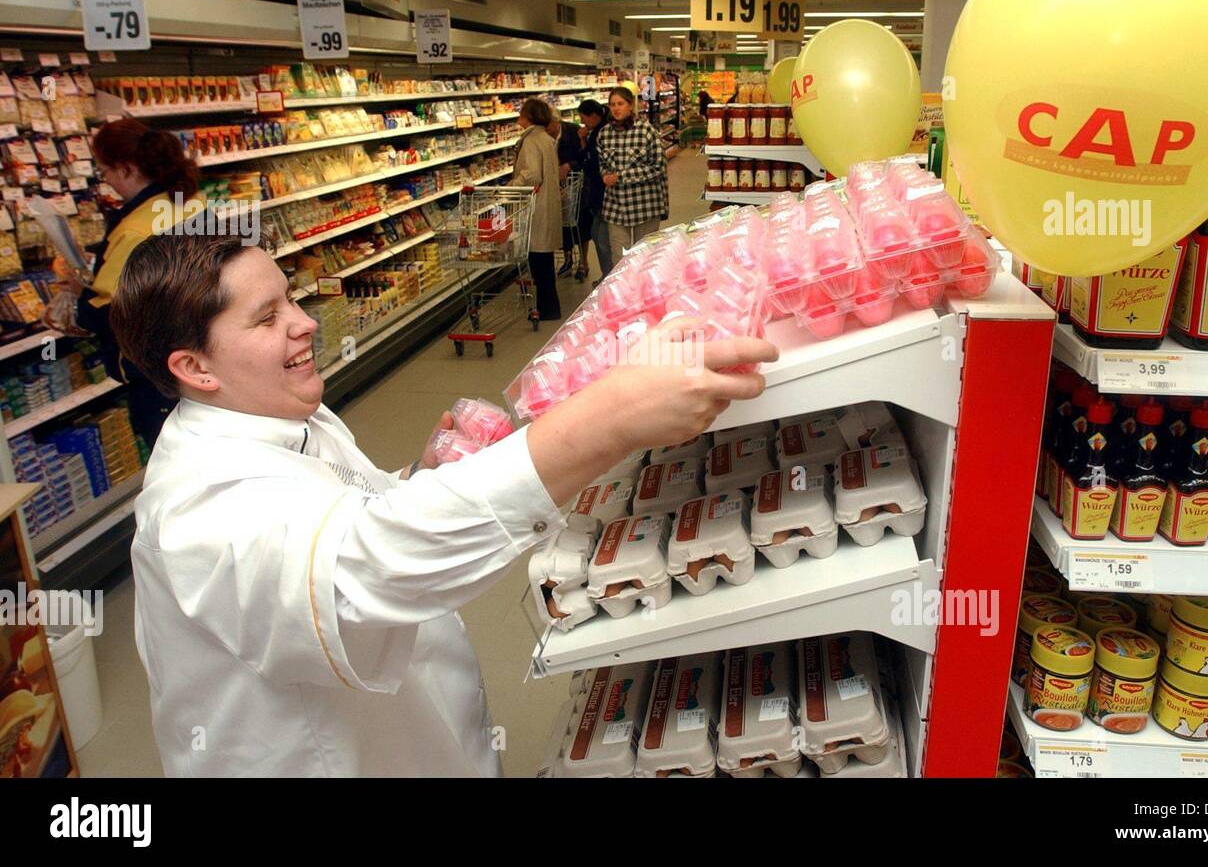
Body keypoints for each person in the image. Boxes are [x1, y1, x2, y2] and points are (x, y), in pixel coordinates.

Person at [109, 229, 777, 776]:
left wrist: (414, 478)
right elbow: (366, 570)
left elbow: (346, 515)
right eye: (267, 318)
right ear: (194, 368)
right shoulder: (197, 510)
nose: (305, 323)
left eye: (290, 299)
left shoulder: (287, 416)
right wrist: (607, 422)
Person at [44, 119, 193, 450]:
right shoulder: (178, 205)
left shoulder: (133, 230)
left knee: (173, 455)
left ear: (127, 168)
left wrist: (79, 295)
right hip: (194, 355)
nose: (107, 181)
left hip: (157, 373)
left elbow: (112, 310)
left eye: (107, 171)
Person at [511, 98, 563, 321]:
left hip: (537, 206)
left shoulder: (531, 140)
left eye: (521, 112)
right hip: (547, 203)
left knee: (538, 260)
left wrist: (511, 186)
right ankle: (549, 306)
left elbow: (532, 175)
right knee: (544, 260)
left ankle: (547, 309)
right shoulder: (546, 137)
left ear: (528, 116)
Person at [598, 86, 669, 251]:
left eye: (620, 103)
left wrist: (621, 176)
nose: (616, 108)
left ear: (630, 106)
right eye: (612, 104)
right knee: (619, 259)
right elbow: (602, 164)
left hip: (645, 204)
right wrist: (605, 176)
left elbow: (658, 166)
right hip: (615, 206)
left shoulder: (646, 131)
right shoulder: (604, 134)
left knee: (644, 255)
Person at [575, 99, 611, 284]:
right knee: (598, 234)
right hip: (598, 192)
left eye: (583, 118)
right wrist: (583, 139)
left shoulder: (602, 133)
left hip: (603, 192)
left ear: (593, 116)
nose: (583, 123)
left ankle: (609, 277)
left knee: (601, 237)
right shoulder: (594, 132)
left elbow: (590, 162)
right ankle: (608, 275)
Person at [547, 114, 583, 278]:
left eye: (548, 126)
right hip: (556, 187)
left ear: (556, 122)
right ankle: (568, 258)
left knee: (579, 223)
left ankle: (583, 261)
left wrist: (569, 166)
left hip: (576, 184)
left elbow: (584, 156)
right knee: (563, 223)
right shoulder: (544, 137)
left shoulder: (573, 131)